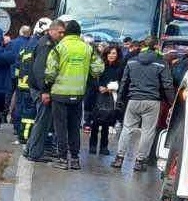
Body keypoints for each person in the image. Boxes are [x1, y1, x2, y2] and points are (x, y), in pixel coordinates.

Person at [45, 20, 104, 170]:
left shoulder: (59, 48)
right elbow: (98, 68)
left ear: (65, 32)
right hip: (78, 94)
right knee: (74, 127)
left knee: (60, 127)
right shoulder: (88, 48)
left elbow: (50, 72)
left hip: (59, 94)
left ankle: (62, 159)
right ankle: (75, 159)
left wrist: (48, 85)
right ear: (79, 33)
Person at [112, 37, 175, 172]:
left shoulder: (132, 61)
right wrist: (172, 102)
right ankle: (140, 161)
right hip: (152, 102)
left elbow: (124, 82)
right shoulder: (161, 63)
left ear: (142, 46)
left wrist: (120, 100)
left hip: (133, 100)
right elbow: (167, 84)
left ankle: (119, 158)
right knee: (148, 132)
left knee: (127, 128)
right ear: (156, 46)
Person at [24, 19, 65, 162]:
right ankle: (35, 153)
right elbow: (40, 70)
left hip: (39, 88)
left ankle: (30, 149)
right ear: (51, 30)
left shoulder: (47, 43)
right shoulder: (46, 45)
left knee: (41, 120)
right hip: (40, 89)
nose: (62, 35)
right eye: (60, 32)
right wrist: (45, 91)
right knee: (42, 122)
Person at [88, 46, 123, 156]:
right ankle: (92, 146)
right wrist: (98, 87)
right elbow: (92, 79)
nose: (111, 55)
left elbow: (122, 81)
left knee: (106, 123)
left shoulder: (120, 67)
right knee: (95, 121)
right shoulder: (100, 66)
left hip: (111, 97)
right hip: (97, 96)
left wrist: (110, 88)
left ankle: (104, 146)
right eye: (109, 53)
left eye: (114, 53)